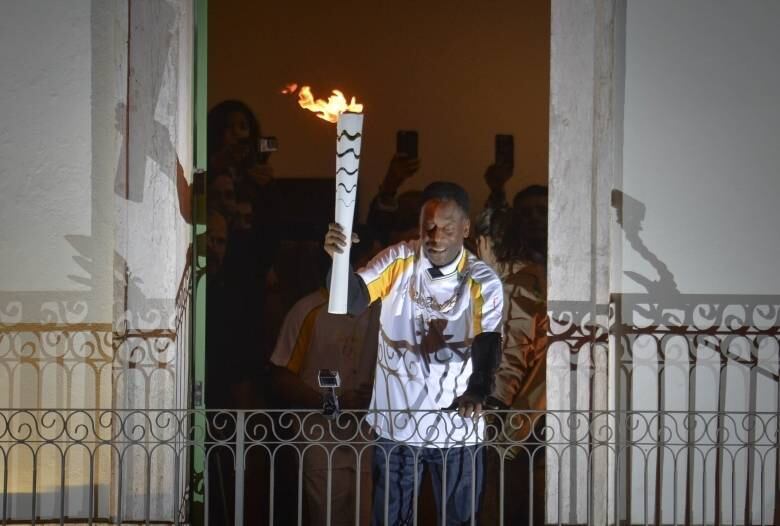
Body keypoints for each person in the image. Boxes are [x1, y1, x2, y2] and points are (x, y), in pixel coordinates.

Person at [323, 182, 504, 525]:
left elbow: (488, 341)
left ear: (465, 228)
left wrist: (478, 389)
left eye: (447, 228)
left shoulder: (483, 280)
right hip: (397, 429)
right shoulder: (399, 259)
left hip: (457, 430)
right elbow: (351, 301)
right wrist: (338, 259)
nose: (436, 237)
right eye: (429, 227)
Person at [477, 184, 549, 526]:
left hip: (567, 404)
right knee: (512, 503)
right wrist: (496, 405)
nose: (534, 219)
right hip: (519, 411)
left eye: (542, 211)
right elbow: (510, 345)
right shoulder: (510, 274)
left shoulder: (574, 268)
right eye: (527, 212)